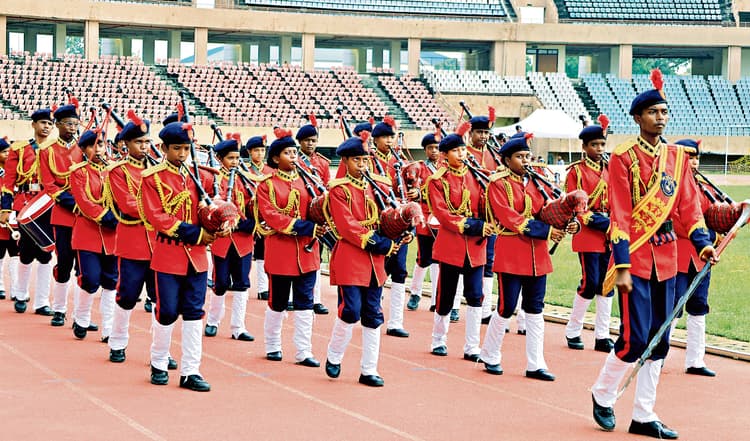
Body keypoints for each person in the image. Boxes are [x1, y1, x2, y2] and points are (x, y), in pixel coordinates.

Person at [591, 69, 716, 439]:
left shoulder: (677, 158)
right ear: (637, 118)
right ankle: (602, 393)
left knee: (660, 339)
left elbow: (689, 207)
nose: (660, 117)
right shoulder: (623, 157)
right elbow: (620, 213)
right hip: (634, 258)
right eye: (652, 112)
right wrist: (622, 264)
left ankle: (643, 414)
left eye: (664, 112)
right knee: (635, 339)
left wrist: (702, 242)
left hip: (668, 258)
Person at [480, 133, 570, 380]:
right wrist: (548, 231)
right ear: (507, 160)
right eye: (519, 157)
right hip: (511, 251)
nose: (525, 161)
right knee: (506, 306)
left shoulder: (537, 181)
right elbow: (510, 217)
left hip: (537, 254)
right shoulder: (497, 184)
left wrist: (565, 218)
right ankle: (490, 353)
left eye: (527, 156)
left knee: (535, 307)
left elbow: (547, 211)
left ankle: (536, 363)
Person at [140, 121, 217, 392]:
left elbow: (211, 210)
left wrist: (218, 221)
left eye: (186, 148)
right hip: (168, 254)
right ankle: (159, 362)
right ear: (163, 148)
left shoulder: (202, 177)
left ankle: (190, 371)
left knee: (195, 312)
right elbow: (157, 217)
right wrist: (196, 233)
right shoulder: (152, 178)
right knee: (167, 311)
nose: (182, 154)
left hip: (197, 257)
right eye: (176, 148)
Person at [324, 132, 400, 387]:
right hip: (351, 256)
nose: (362, 165)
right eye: (356, 160)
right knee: (350, 310)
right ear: (345, 161)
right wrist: (379, 242)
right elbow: (347, 226)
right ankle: (334, 355)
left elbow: (387, 217)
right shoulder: (338, 190)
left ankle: (369, 369)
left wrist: (400, 227)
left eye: (365, 160)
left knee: (373, 313)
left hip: (374, 261)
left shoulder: (376, 186)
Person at [106, 111, 176, 369]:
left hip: (159, 242)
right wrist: (159, 210)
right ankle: (117, 341)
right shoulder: (118, 171)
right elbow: (128, 204)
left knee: (161, 299)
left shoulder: (159, 169)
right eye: (139, 142)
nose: (144, 147)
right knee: (127, 294)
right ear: (126, 143)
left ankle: (161, 351)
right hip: (133, 241)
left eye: (147, 142)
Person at [426, 122, 495, 362]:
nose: (462, 154)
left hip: (476, 245)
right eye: (456, 151)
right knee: (445, 295)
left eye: (463, 149)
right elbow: (443, 214)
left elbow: (485, 204)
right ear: (444, 155)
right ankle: (438, 339)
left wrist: (490, 218)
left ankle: (472, 346)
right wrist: (474, 225)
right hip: (451, 244)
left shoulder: (476, 175)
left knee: (476, 295)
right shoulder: (437, 180)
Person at [256, 128, 322, 367]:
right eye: (288, 153)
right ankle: (273, 344)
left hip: (306, 251)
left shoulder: (308, 180)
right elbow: (271, 216)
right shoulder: (266, 185)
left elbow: (317, 208)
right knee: (278, 301)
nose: (294, 156)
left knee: (305, 301)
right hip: (281, 251)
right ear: (275, 158)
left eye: (295, 152)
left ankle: (304, 350)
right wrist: (307, 227)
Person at [40, 101, 97, 331]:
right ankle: (59, 309)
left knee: (85, 268)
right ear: (58, 124)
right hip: (64, 212)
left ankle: (81, 316)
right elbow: (49, 184)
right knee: (64, 262)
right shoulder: (47, 151)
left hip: (87, 216)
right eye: (68, 123)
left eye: (75, 124)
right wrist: (74, 203)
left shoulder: (84, 149)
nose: (72, 128)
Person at [563, 115, 614, 353]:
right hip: (588, 232)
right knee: (590, 282)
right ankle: (573, 329)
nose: (599, 149)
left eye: (602, 144)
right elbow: (576, 207)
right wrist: (603, 222)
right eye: (594, 145)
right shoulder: (577, 172)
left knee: (608, 283)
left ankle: (602, 335)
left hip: (610, 233)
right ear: (584, 147)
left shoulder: (611, 169)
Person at [673, 139, 720, 377]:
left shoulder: (705, 188)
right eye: (689, 158)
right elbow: (680, 223)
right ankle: (656, 357)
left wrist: (728, 220)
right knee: (673, 307)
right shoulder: (670, 187)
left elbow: (713, 215)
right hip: (678, 255)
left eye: (696, 158)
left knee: (699, 306)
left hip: (701, 258)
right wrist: (707, 235)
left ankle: (695, 360)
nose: (694, 162)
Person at [204, 135, 258, 342]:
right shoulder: (214, 180)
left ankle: (238, 327)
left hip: (243, 239)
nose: (235, 162)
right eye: (230, 158)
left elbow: (253, 208)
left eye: (237, 158)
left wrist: (251, 221)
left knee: (242, 283)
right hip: (222, 239)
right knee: (221, 282)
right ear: (220, 159)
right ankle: (213, 321)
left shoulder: (245, 179)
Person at [1, 109, 54, 312]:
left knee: (46, 253)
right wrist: (6, 208)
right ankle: (21, 294)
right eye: (43, 123)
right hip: (25, 204)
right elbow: (8, 181)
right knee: (25, 251)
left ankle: (42, 301)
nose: (46, 127)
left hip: (47, 204)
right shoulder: (20, 149)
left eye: (50, 124)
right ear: (33, 124)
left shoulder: (54, 149)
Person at [68, 129, 118, 341]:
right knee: (90, 279)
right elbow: (83, 201)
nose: (98, 149)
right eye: (92, 145)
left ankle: (109, 328)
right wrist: (105, 215)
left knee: (111, 281)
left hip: (113, 236)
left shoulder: (115, 170)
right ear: (84, 149)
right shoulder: (79, 172)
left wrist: (119, 216)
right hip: (88, 233)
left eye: (101, 144)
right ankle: (81, 317)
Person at [370, 116, 412, 338]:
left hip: (399, 222)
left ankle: (396, 321)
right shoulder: (367, 161)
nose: (389, 141)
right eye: (384, 137)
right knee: (378, 269)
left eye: (391, 137)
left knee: (400, 270)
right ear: (375, 139)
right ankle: (373, 313)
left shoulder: (400, 162)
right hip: (378, 223)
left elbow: (408, 192)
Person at [466, 109, 499, 325]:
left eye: (486, 133)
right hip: (471, 215)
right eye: (479, 132)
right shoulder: (464, 154)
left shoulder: (494, 155)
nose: (483, 136)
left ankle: (485, 309)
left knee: (489, 261)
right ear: (471, 133)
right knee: (464, 264)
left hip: (492, 215)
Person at [295, 115, 330, 315]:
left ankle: (315, 298)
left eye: (313, 140)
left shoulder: (322, 163)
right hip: (300, 210)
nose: (310, 144)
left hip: (317, 213)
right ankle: (294, 295)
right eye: (307, 140)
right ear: (300, 142)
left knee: (316, 256)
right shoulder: (294, 159)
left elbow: (326, 186)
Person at [406, 132, 443, 312]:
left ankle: (436, 298)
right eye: (430, 148)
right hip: (424, 216)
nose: (434, 151)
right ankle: (415, 292)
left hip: (441, 217)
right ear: (425, 150)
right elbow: (412, 187)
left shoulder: (446, 167)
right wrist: (417, 193)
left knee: (439, 258)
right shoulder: (419, 168)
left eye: (437, 148)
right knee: (424, 257)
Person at [243, 135, 273, 301]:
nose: (260, 153)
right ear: (249, 152)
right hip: (249, 214)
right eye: (256, 150)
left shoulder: (271, 171)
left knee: (263, 252)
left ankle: (263, 288)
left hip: (266, 216)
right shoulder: (245, 170)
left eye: (262, 150)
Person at [0, 137, 20, 303]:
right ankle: (0, 286)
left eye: (9, 152)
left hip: (14, 218)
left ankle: (16, 288)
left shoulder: (16, 171)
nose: (7, 154)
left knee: (16, 254)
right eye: (4, 152)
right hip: (1, 218)